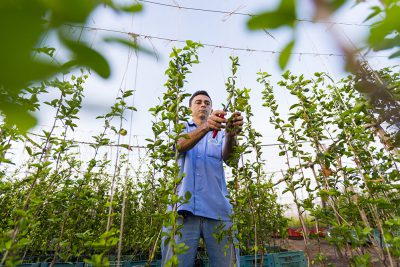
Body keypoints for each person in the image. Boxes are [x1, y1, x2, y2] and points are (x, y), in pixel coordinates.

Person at [161, 90, 244, 266]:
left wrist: (230, 135)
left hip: (217, 210)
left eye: (207, 102)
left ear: (211, 108)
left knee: (227, 263)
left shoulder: (220, 134)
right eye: (198, 102)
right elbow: (179, 146)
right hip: (182, 210)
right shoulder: (181, 128)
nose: (203, 105)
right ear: (190, 108)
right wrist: (207, 126)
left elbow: (231, 160)